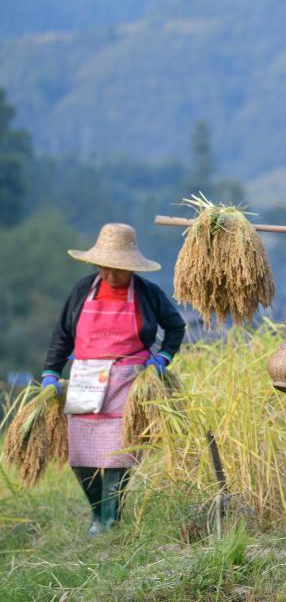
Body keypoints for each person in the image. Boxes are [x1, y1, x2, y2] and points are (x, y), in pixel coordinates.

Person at [41, 223, 185, 536]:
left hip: (128, 381)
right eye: (105, 268)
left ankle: (112, 519)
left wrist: (162, 358)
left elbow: (176, 327)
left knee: (120, 453)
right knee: (81, 456)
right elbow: (63, 334)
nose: (111, 276)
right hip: (86, 380)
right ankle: (97, 514)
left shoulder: (147, 293)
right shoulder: (83, 290)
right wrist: (51, 372)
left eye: (117, 270)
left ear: (130, 267)